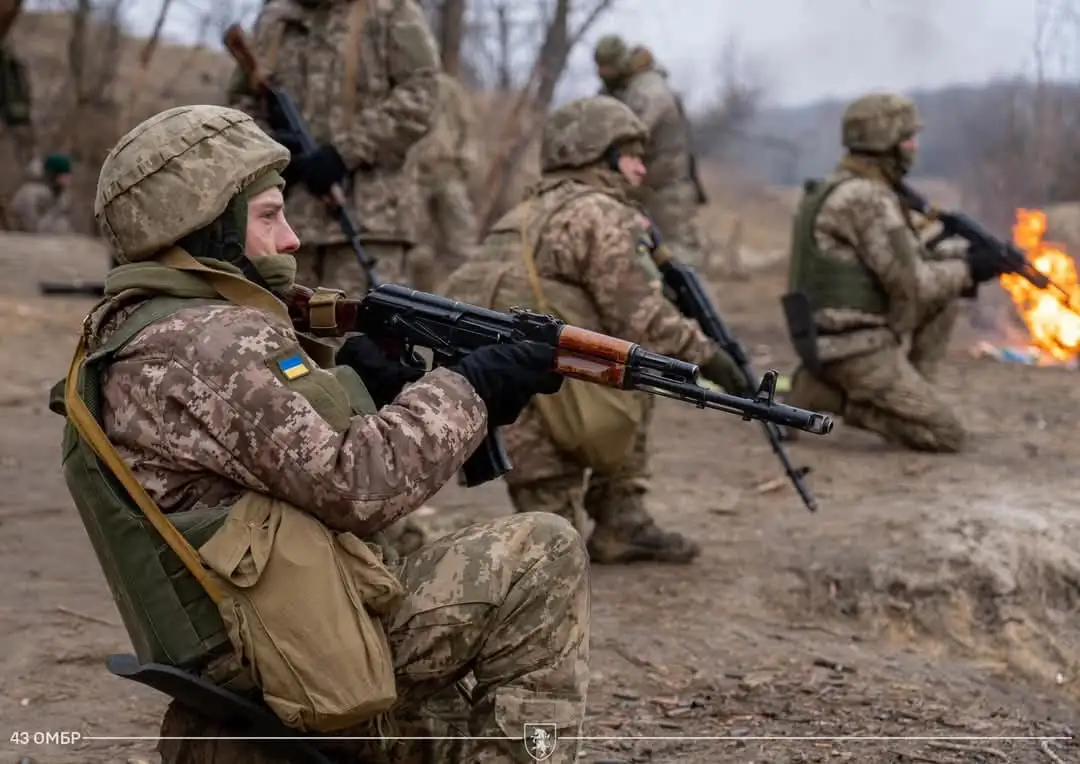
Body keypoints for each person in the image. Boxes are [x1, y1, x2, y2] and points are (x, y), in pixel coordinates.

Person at [69, 104, 589, 763]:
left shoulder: (140, 329)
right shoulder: (212, 339)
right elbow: (356, 484)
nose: (290, 239)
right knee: (543, 551)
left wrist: (359, 386)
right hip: (276, 641)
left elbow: (275, 455)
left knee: (418, 555)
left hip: (236, 629)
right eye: (268, 216)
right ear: (203, 224)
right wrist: (471, 387)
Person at [443, 95, 750, 565]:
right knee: (646, 365)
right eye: (630, 155)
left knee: (549, 540)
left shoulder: (518, 215)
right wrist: (711, 358)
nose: (641, 169)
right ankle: (619, 516)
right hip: (554, 391)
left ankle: (558, 533)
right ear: (595, 153)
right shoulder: (601, 212)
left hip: (502, 397)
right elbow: (643, 316)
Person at [782, 92, 1014, 452]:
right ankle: (835, 400)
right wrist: (970, 269)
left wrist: (973, 258)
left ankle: (909, 395)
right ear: (884, 143)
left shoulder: (846, 187)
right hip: (853, 346)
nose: (914, 148)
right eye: (908, 139)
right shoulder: (868, 200)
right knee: (945, 435)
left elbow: (908, 257)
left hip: (833, 334)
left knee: (947, 296)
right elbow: (915, 285)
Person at [227, 0, 441, 295]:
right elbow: (241, 103)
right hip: (283, 221)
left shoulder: (392, 12)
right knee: (275, 332)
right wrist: (271, 146)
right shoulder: (276, 19)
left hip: (368, 223)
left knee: (357, 334)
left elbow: (421, 99)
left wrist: (344, 152)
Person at [593, 34, 706, 267]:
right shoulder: (620, 88)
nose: (603, 73)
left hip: (667, 195)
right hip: (641, 192)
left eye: (608, 67)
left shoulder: (649, 91)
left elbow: (628, 134)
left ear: (621, 63)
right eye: (600, 67)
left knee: (680, 264)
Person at [406, 71, 479, 292]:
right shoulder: (407, 86)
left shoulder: (450, 88)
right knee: (413, 240)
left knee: (462, 241)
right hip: (414, 174)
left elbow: (467, 124)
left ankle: (466, 291)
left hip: (448, 169)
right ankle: (416, 290)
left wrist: (465, 161)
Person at [9, 152, 73, 234]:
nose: (64, 185)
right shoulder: (31, 192)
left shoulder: (61, 195)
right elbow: (33, 227)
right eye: (61, 179)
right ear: (51, 175)